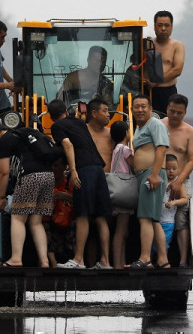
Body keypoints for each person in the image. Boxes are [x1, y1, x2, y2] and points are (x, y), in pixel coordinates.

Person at [48, 99, 113, 269]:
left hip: (84, 169)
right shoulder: (78, 121)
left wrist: (74, 170)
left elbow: (68, 145)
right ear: (66, 111)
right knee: (100, 217)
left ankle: (78, 260)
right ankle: (105, 261)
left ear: (51, 116)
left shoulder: (57, 127)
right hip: (98, 168)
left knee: (83, 214)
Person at [0, 121, 54, 268]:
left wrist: (1, 197)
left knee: (17, 218)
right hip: (48, 176)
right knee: (36, 222)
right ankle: (44, 261)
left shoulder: (4, 141)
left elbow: (3, 172)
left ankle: (16, 259)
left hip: (30, 177)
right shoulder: (22, 134)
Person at [129, 94, 171, 269]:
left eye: (143, 106)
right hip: (144, 174)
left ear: (150, 109)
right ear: (132, 110)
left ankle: (145, 258)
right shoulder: (139, 128)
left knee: (145, 218)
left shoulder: (155, 124)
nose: (140, 110)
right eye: (136, 106)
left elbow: (161, 149)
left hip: (151, 175)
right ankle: (163, 260)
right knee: (154, 220)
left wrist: (154, 174)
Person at [160, 93, 193, 267]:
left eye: (179, 113)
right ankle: (156, 256)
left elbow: (191, 160)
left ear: (185, 113)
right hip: (159, 179)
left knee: (181, 219)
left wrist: (178, 181)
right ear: (167, 108)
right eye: (172, 111)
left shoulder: (190, 132)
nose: (174, 115)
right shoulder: (158, 126)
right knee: (155, 217)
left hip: (181, 179)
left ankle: (183, 260)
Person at [145, 11, 185, 115]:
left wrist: (156, 81)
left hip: (168, 92)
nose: (163, 29)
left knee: (168, 123)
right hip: (148, 92)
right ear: (154, 27)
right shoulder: (147, 44)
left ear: (171, 27)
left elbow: (177, 70)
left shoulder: (177, 45)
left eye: (167, 25)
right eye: (160, 25)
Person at [109, 121, 135, 269]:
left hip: (118, 189)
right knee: (121, 230)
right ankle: (118, 264)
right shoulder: (125, 149)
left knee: (123, 231)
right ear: (126, 133)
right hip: (124, 191)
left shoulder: (116, 149)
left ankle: (122, 262)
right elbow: (135, 166)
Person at [152, 154, 189, 256]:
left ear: (178, 169)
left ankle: (162, 262)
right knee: (153, 245)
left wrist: (174, 202)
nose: (171, 171)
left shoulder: (178, 183)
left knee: (164, 244)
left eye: (174, 168)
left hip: (168, 222)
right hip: (156, 220)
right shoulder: (159, 180)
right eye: (168, 168)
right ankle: (153, 261)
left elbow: (185, 199)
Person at [44, 156, 75, 267]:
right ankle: (53, 262)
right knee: (44, 225)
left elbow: (78, 203)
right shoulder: (47, 184)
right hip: (51, 218)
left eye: (56, 165)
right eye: (52, 165)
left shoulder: (70, 184)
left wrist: (66, 196)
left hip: (67, 218)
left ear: (64, 167)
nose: (53, 169)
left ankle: (73, 259)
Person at [86, 98, 113, 173]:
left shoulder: (111, 134)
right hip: (88, 179)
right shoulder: (82, 132)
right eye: (105, 111)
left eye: (108, 111)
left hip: (109, 180)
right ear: (94, 113)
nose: (108, 114)